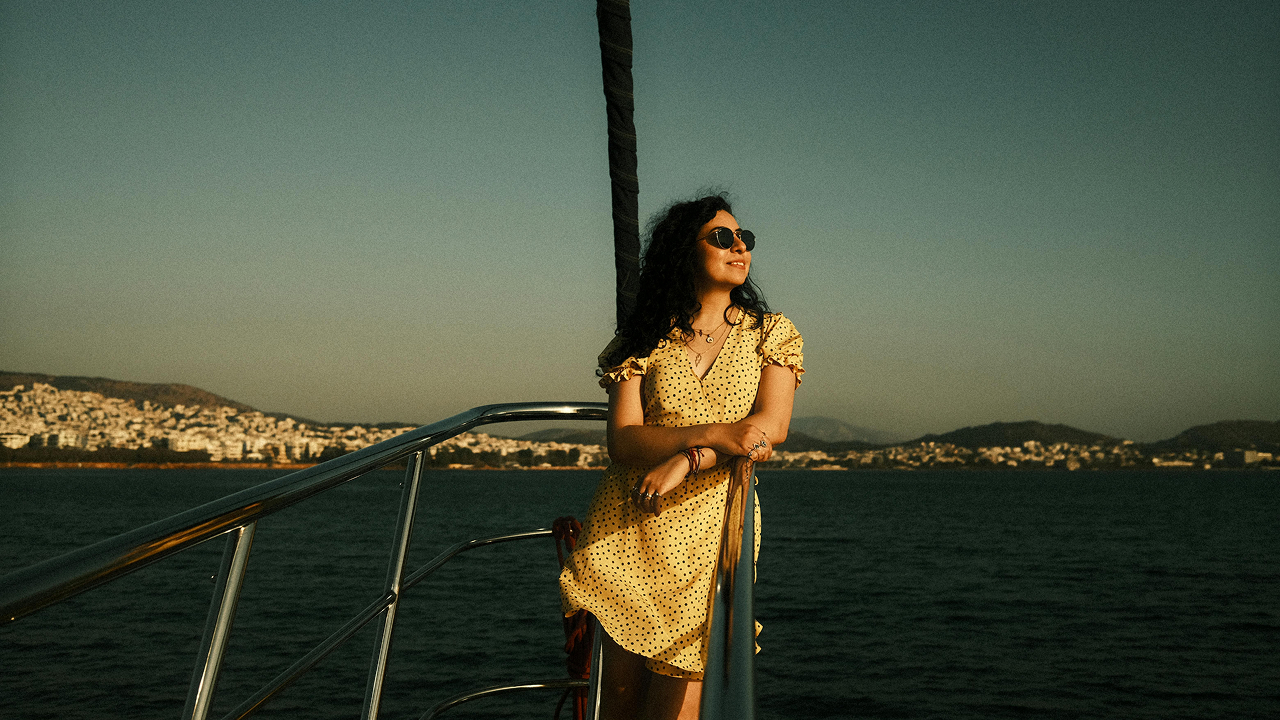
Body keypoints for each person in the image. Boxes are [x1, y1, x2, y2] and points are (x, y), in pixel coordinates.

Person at [559, 194, 804, 720]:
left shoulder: (772, 334)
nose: (740, 246)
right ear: (683, 251)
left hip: (713, 535)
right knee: (617, 709)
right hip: (630, 532)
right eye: (722, 237)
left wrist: (689, 460)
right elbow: (624, 440)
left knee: (679, 706)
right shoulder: (643, 339)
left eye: (745, 239)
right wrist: (716, 432)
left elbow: (768, 431)